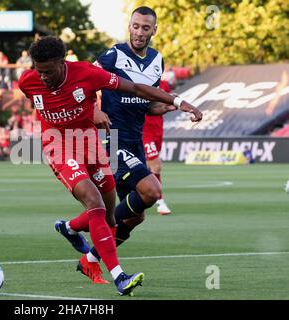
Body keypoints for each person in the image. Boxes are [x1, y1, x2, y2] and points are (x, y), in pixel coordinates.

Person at [18, 36, 202, 296]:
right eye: (39, 70)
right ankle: (119, 277)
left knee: (109, 216)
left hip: (90, 143)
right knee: (93, 200)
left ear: (63, 62)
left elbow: (136, 89)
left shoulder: (87, 73)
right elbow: (42, 101)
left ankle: (70, 230)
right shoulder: (27, 81)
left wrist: (178, 102)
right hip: (58, 144)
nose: (43, 77)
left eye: (48, 71)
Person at [81, 6, 201, 284]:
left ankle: (90, 257)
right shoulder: (114, 54)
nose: (139, 32)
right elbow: (85, 81)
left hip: (135, 140)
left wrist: (168, 108)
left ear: (153, 30)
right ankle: (83, 231)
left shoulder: (157, 60)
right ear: (130, 26)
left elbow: (146, 104)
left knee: (135, 218)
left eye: (145, 28)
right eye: (135, 26)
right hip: (114, 140)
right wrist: (94, 111)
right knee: (151, 190)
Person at [143, 80, 172, 215]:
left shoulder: (165, 84)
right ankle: (160, 202)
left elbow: (165, 105)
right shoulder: (139, 82)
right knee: (156, 165)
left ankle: (141, 194)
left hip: (157, 130)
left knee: (149, 167)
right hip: (144, 131)